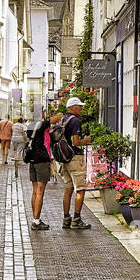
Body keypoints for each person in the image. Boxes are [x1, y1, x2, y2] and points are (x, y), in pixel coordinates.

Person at [56, 96, 93, 230]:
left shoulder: (62, 119)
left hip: (64, 159)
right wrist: (86, 140)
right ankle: (76, 220)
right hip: (75, 158)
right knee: (80, 189)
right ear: (73, 108)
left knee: (68, 189)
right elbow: (76, 142)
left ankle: (66, 219)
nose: (81, 109)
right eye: (80, 107)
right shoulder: (75, 121)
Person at [23, 110, 53, 231]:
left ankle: (35, 218)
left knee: (35, 191)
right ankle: (36, 221)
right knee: (40, 191)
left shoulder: (30, 126)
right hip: (42, 159)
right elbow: (54, 119)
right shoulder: (41, 124)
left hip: (32, 160)